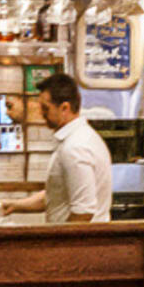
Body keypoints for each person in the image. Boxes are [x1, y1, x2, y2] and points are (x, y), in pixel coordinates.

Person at [31, 69, 113, 224]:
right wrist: (12, 206)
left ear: (64, 108)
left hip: (84, 245)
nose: (42, 114)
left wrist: (61, 244)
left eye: (45, 108)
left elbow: (83, 212)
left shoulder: (75, 147)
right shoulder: (78, 138)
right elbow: (57, 196)